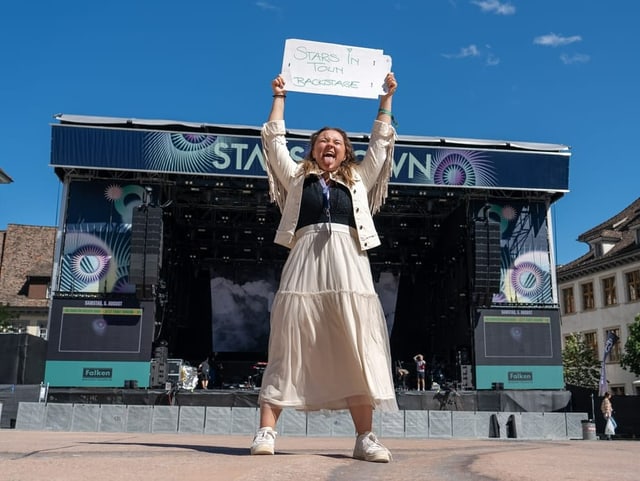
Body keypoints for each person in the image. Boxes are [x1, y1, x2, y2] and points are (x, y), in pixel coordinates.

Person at [251, 71, 399, 463]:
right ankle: (266, 430)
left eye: (336, 142)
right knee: (290, 339)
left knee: (356, 342)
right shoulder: (298, 177)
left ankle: (365, 438)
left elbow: (381, 145)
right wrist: (279, 96)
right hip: (305, 262)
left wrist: (385, 99)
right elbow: (273, 140)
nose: (329, 145)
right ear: (313, 150)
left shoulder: (359, 179)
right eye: (322, 141)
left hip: (350, 262)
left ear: (347, 151)